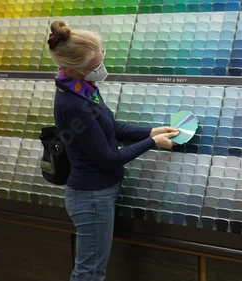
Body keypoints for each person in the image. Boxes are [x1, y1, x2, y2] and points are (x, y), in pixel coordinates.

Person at [48, 20, 179, 281]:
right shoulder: (71, 103)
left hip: (99, 193)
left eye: (100, 58)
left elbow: (110, 126)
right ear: (74, 69)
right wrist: (153, 143)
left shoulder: (82, 88)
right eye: (94, 66)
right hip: (91, 197)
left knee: (92, 269)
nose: (101, 68)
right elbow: (108, 159)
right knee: (90, 272)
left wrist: (149, 131)